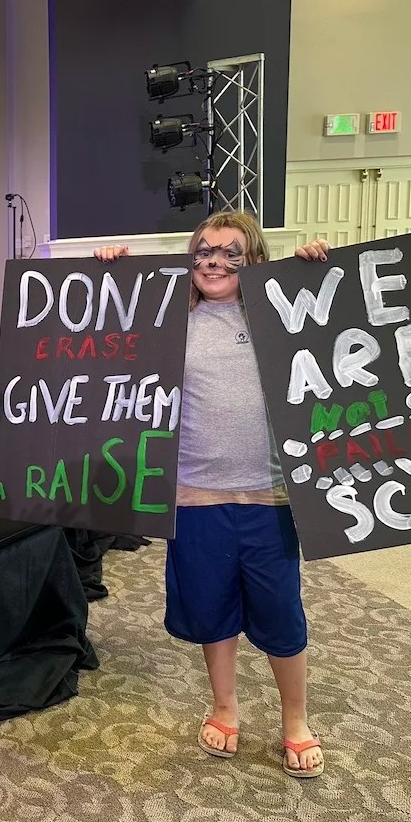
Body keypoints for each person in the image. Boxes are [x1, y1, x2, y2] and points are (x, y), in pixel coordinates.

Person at [96, 211, 330, 778]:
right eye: (204, 251)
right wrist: (114, 274)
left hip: (271, 495)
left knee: (280, 612)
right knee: (212, 607)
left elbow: (332, 338)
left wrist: (315, 272)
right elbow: (109, 340)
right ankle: (225, 706)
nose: (215, 262)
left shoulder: (282, 317)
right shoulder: (174, 320)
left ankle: (295, 719)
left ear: (256, 261)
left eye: (231, 252)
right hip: (195, 495)